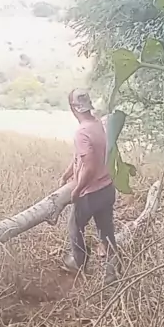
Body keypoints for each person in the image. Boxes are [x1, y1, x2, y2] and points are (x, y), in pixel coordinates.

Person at [60, 89, 117, 279]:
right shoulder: (98, 124)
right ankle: (112, 272)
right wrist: (67, 174)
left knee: (75, 226)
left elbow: (90, 166)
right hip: (107, 187)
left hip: (91, 193)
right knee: (106, 232)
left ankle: (78, 261)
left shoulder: (81, 133)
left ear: (72, 108)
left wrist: (77, 190)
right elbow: (81, 157)